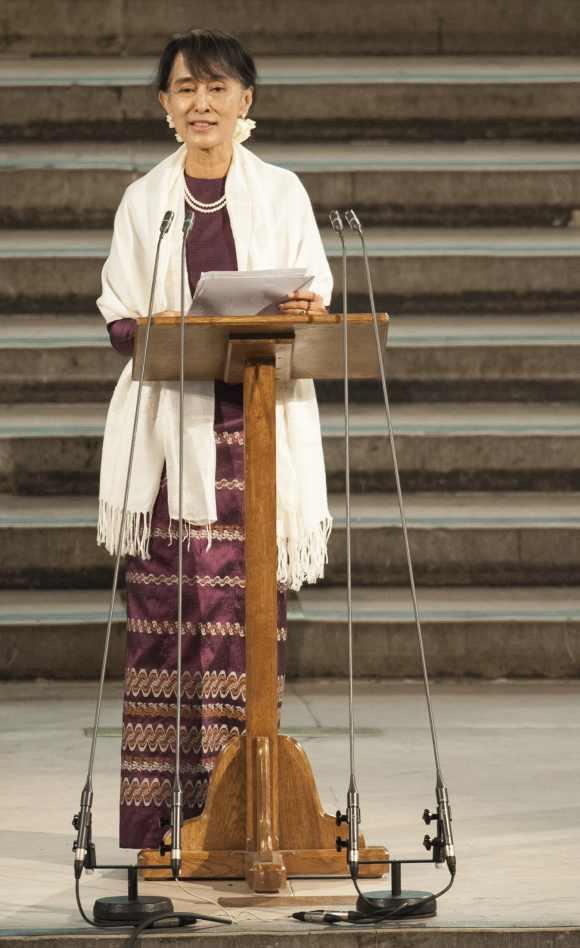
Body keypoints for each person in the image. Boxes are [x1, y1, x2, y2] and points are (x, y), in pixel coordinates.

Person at [96, 28, 333, 849]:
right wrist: (161, 330)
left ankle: (244, 815)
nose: (202, 103)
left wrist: (302, 313)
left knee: (247, 619)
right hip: (171, 441)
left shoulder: (283, 192)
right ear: (165, 105)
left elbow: (313, 296)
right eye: (186, 89)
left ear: (247, 101)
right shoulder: (143, 201)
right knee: (170, 619)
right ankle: (164, 822)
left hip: (255, 434)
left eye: (218, 88)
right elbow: (121, 314)